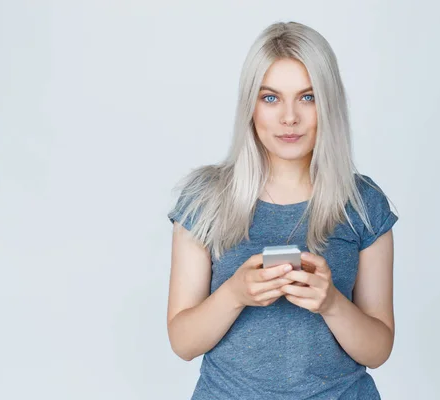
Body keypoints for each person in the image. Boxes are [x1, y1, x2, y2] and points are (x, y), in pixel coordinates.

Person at [166, 20, 398, 400]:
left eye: (308, 97)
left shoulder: (363, 202)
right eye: (271, 98)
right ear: (250, 105)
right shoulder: (204, 199)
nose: (289, 117)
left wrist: (331, 303)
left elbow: (379, 349)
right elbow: (182, 342)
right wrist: (235, 294)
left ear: (329, 105)